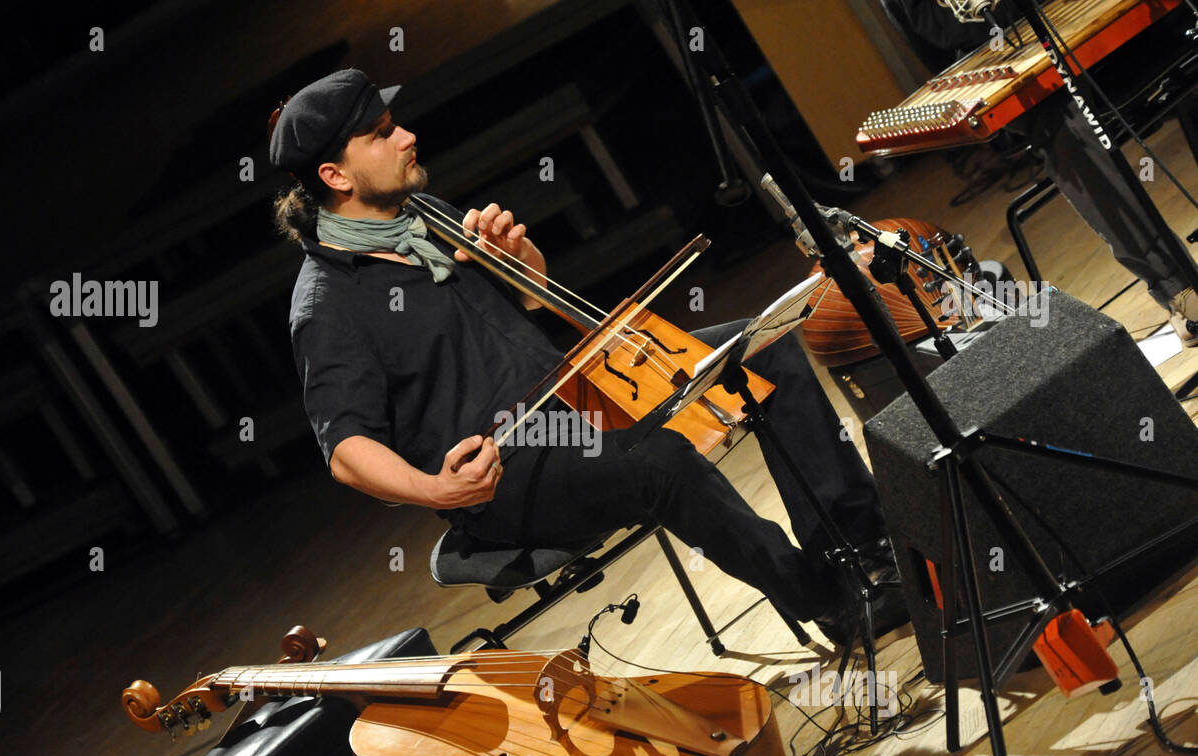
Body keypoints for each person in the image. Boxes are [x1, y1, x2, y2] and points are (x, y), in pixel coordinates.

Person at [267, 69, 908, 644]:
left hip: (580, 392)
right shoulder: (327, 304)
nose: (407, 136)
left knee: (762, 346)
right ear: (335, 176)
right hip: (511, 471)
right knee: (660, 462)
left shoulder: (425, 218)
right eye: (382, 134)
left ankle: (864, 550)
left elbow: (536, 302)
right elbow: (348, 452)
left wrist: (521, 260)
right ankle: (831, 602)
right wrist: (439, 488)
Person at [882, 0, 1198, 345]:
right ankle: (1178, 287)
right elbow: (938, 35)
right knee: (1058, 122)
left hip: (1095, 16)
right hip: (1022, 67)